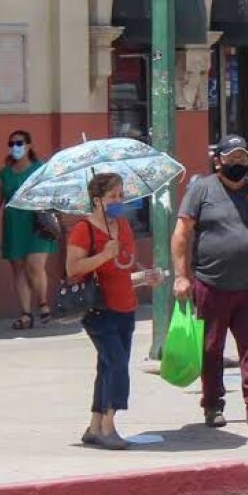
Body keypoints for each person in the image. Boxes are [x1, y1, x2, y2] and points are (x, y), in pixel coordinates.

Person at [171, 134, 248, 428]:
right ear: (218, 160)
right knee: (211, 350)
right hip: (211, 285)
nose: (237, 162)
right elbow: (182, 233)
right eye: (231, 157)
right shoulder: (202, 190)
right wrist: (181, 276)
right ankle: (212, 406)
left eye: (242, 157)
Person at [65, 173, 164, 450]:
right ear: (97, 200)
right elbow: (72, 269)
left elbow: (125, 267)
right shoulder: (83, 229)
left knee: (107, 365)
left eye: (122, 195)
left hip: (125, 306)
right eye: (113, 197)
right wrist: (103, 255)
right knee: (117, 364)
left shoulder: (123, 226)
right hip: (99, 309)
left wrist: (146, 276)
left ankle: (94, 427)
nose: (119, 201)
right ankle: (109, 426)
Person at [0, 130, 58, 329]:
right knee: (19, 269)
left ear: (29, 145)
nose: (16, 147)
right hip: (14, 223)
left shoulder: (40, 169)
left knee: (35, 264)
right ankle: (25, 313)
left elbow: (53, 194)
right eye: (12, 143)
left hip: (37, 222)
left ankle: (43, 302)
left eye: (20, 143)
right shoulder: (4, 174)